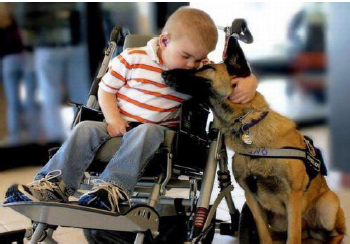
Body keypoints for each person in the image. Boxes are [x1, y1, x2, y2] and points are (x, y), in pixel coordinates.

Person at [4, 7, 257, 214]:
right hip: (118, 123)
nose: (192, 65)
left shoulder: (199, 68)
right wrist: (112, 118)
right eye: (186, 56)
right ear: (165, 40)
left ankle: (111, 189)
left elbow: (230, 76)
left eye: (199, 59)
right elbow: (106, 90)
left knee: (147, 130)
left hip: (158, 133)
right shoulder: (133, 58)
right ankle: (53, 184)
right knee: (84, 128)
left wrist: (248, 81)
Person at [0, 3, 39, 145]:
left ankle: (15, 137)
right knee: (30, 99)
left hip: (8, 61)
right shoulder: (22, 19)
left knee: (13, 102)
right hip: (26, 58)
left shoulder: (3, 20)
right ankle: (34, 136)